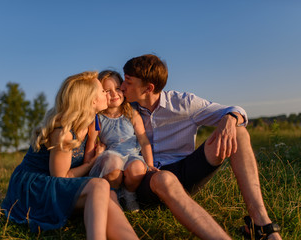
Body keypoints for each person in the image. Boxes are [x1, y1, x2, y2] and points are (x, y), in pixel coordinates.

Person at [120, 54, 282, 240]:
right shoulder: (123, 107)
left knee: (239, 132)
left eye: (128, 82)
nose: (122, 87)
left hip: (186, 172)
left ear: (148, 88)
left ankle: (261, 224)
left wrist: (229, 119)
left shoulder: (183, 103)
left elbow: (235, 110)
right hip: (145, 178)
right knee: (164, 178)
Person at [2, 71, 138, 240]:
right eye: (102, 91)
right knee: (99, 186)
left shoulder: (91, 123)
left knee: (107, 192)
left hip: (56, 183)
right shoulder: (64, 132)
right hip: (36, 186)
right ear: (91, 100)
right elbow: (61, 177)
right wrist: (91, 163)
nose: (106, 93)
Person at [85, 70, 156, 212]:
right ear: (99, 94)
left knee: (137, 169)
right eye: (107, 91)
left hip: (132, 154)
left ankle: (129, 195)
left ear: (123, 88)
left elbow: (143, 140)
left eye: (117, 88)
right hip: (111, 155)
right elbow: (91, 144)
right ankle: (114, 196)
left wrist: (150, 164)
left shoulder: (131, 113)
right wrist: (87, 166)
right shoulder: (98, 118)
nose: (114, 94)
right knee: (113, 164)